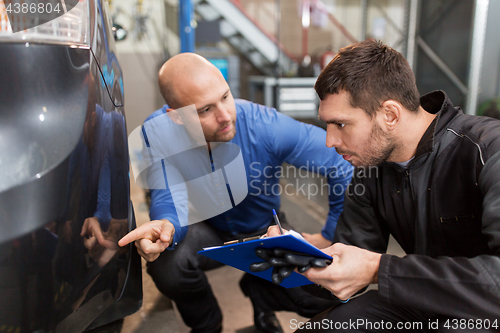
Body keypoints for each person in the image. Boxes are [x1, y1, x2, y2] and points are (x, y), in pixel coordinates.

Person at [265, 40, 500, 332]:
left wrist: (378, 269)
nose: (329, 141)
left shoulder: (489, 151)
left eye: (340, 124)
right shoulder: (370, 169)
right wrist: (297, 257)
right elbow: (347, 269)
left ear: (390, 115)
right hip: (423, 303)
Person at [118, 53, 353, 333]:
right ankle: (207, 326)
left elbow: (340, 164)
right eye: (205, 110)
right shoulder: (157, 134)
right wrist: (165, 226)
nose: (226, 115)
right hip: (209, 229)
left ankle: (261, 296)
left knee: (320, 293)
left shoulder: (265, 126)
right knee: (168, 265)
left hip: (265, 229)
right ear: (176, 117)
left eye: (226, 97)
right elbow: (170, 199)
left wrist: (329, 233)